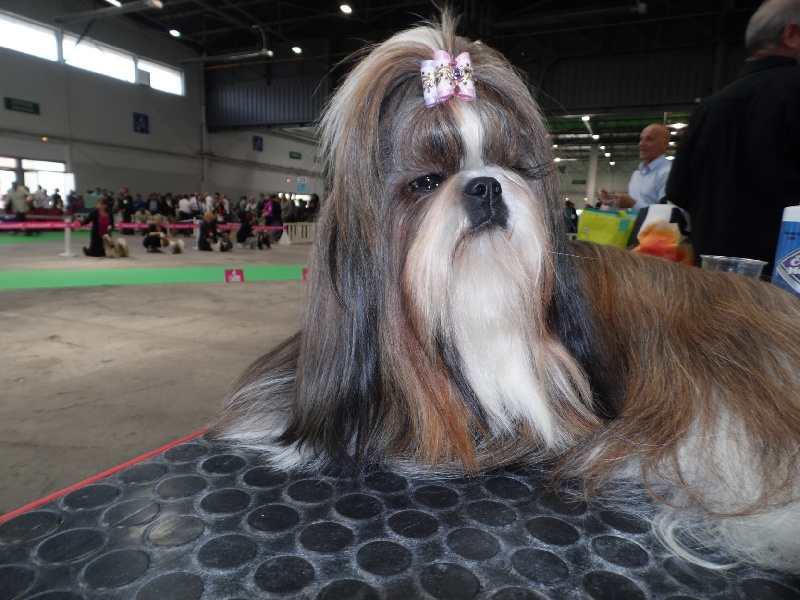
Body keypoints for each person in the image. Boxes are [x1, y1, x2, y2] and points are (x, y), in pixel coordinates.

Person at [666, 0, 800, 276]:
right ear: (792, 35)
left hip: (715, 286)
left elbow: (679, 192)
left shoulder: (707, 109)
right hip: (784, 289)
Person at [598, 124, 672, 211]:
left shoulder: (668, 173)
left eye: (649, 139)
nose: (641, 144)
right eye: (641, 139)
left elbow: (668, 212)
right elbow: (632, 211)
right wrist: (614, 202)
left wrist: (634, 204)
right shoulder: (637, 174)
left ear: (664, 144)